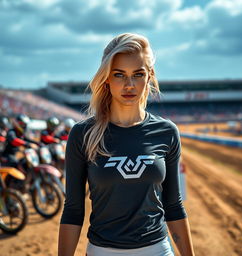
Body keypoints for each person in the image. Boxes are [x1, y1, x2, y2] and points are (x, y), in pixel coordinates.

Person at [58, 33, 195, 256]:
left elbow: (173, 205)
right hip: (101, 251)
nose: (129, 85)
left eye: (138, 74)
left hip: (157, 250)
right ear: (107, 78)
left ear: (149, 76)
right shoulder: (83, 134)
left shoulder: (167, 132)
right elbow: (73, 210)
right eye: (119, 75)